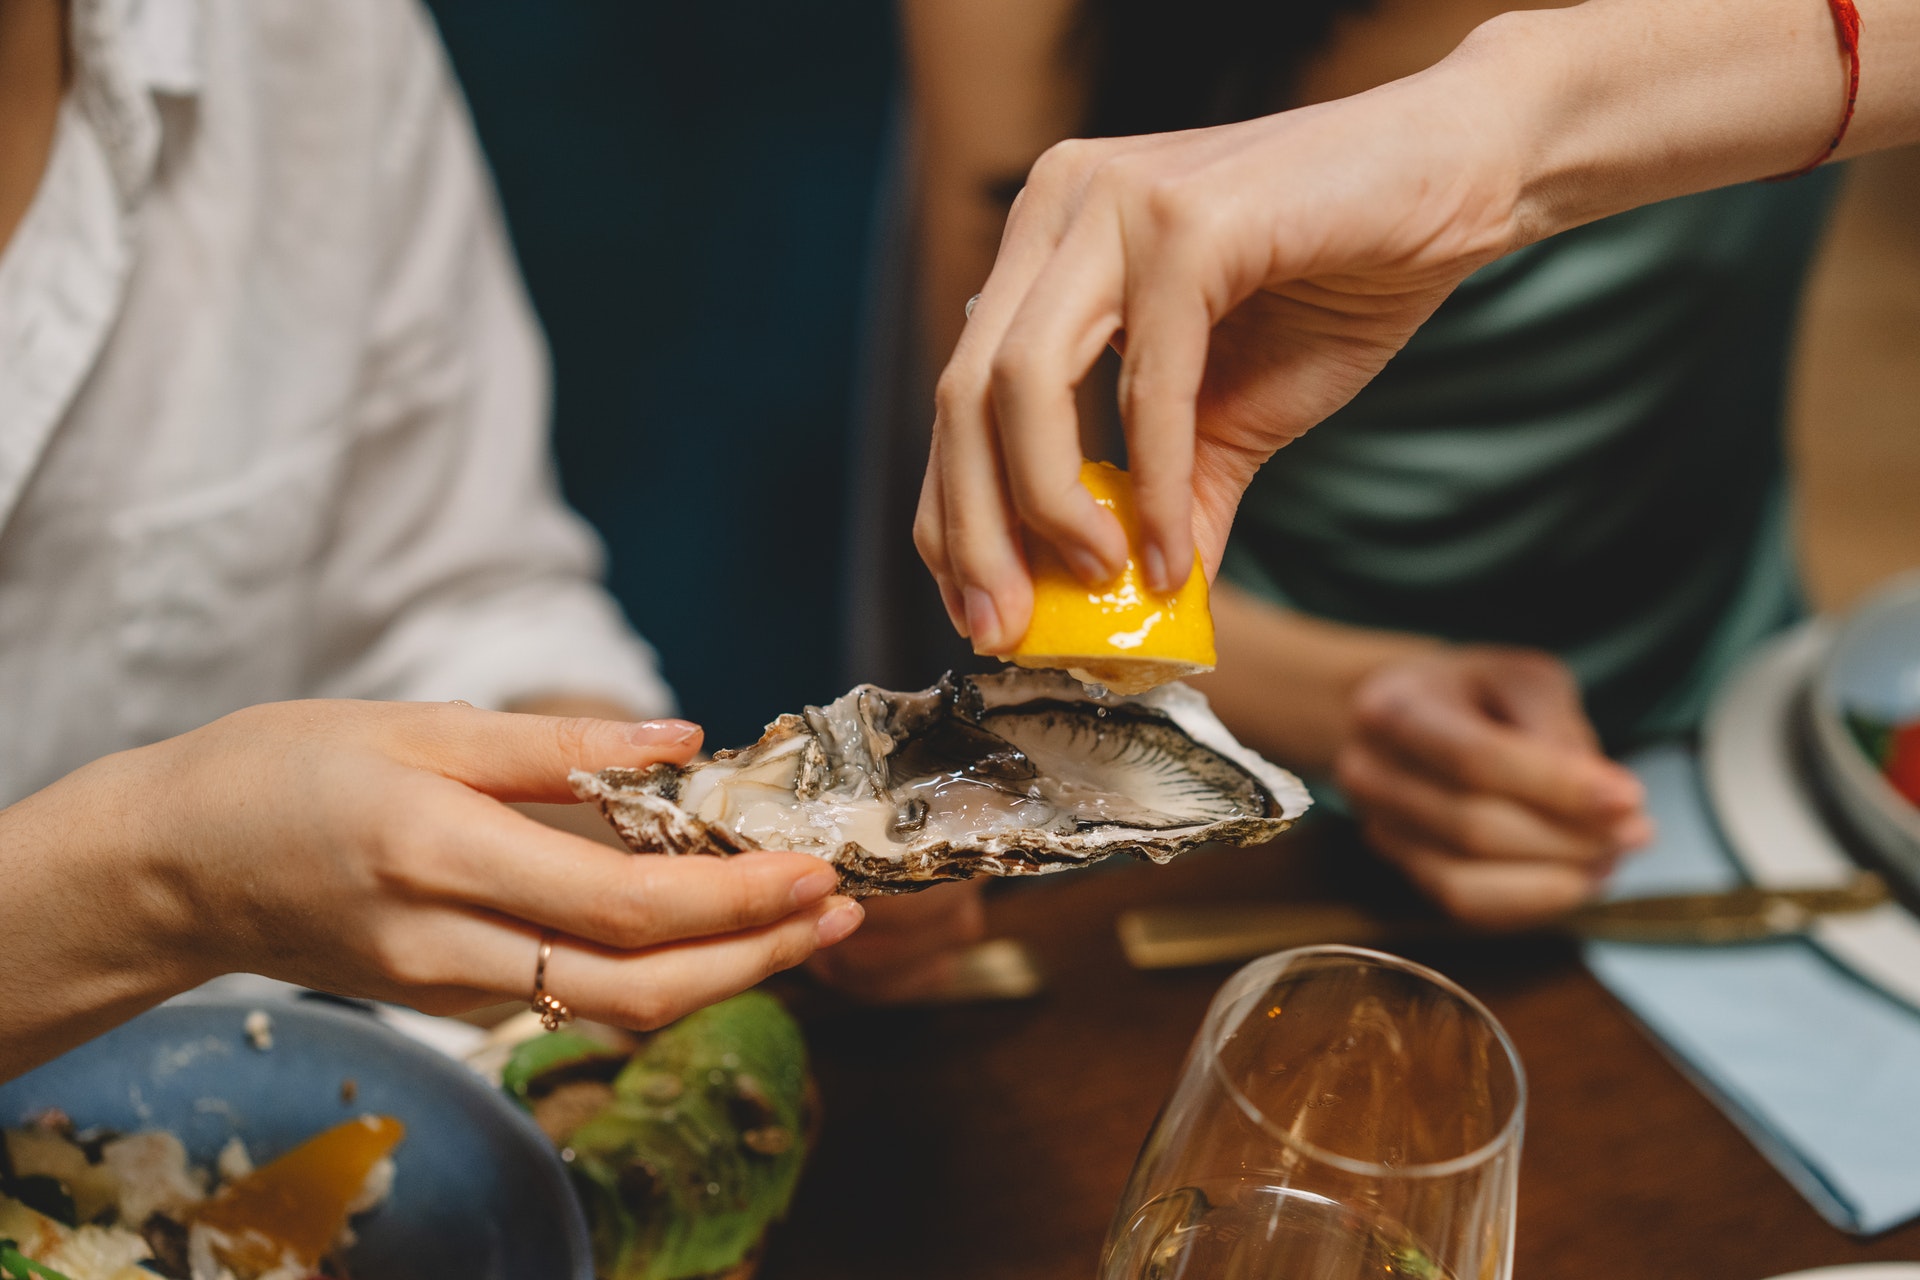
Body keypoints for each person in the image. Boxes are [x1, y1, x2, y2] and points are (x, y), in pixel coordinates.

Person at [0, 0, 864, 1082]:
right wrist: (165, 882)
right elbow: (190, 868)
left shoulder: (304, 29)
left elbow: (455, 601)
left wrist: (706, 843)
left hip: (240, 1141)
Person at [911, 0, 1920, 925]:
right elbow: (1031, 537)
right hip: (1248, 771)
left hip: (1741, 725)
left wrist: (1516, 125)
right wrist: (1357, 704)